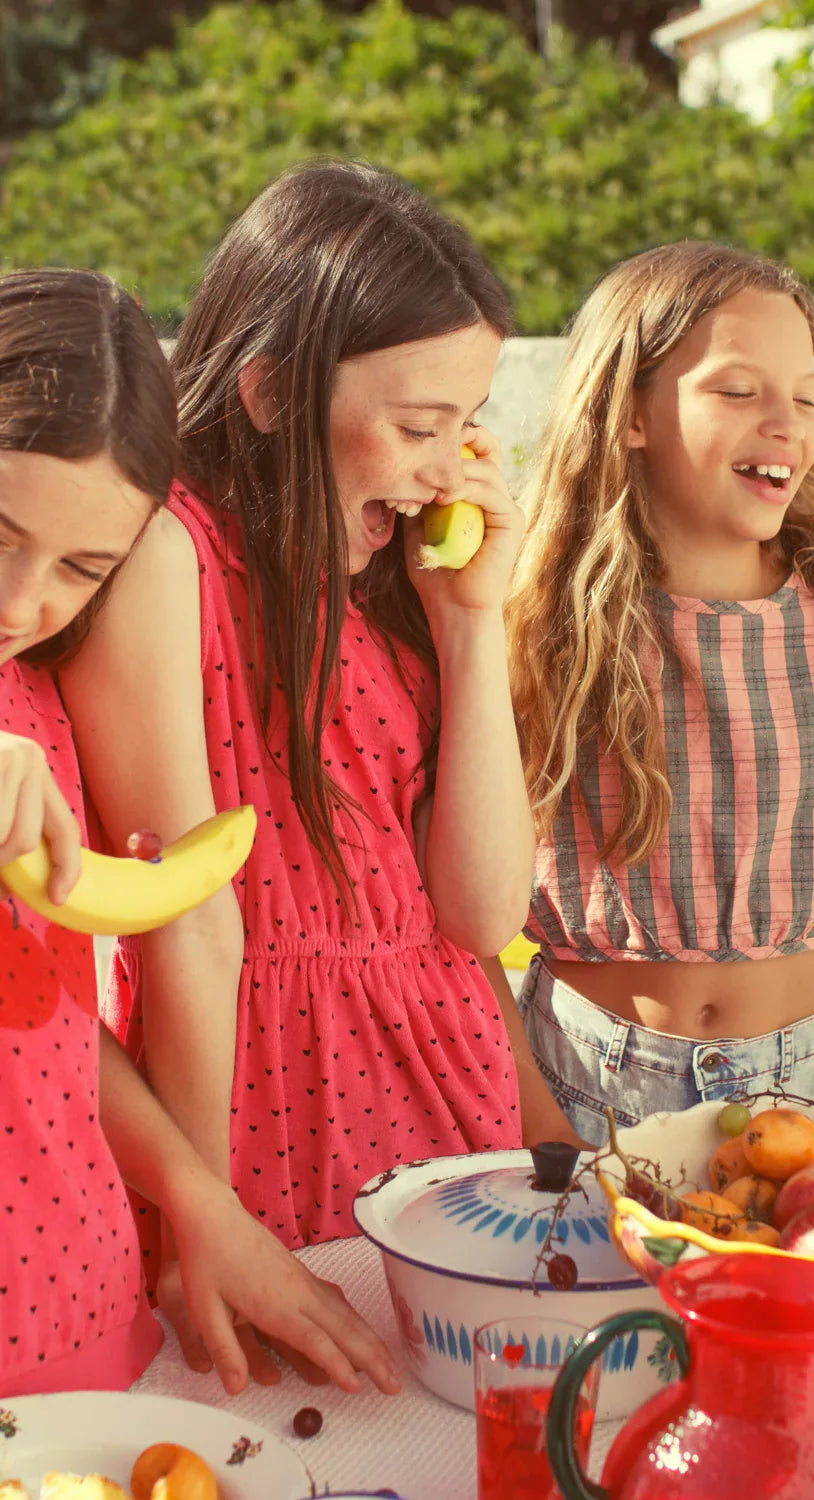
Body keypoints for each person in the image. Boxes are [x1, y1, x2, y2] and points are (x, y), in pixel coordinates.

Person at [60, 162, 565, 1353]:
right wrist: (203, 1225)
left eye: (466, 425)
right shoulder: (167, 557)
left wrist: (472, 622)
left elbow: (483, 913)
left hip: (451, 1093)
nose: (448, 472)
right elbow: (187, 924)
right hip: (268, 1106)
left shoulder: (399, 592)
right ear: (272, 393)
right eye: (413, 426)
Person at [0, 266, 399, 1397]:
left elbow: (48, 1023)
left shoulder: (35, 688)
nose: (24, 603)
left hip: (70, 1293)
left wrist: (196, 1200)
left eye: (82, 569)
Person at [502, 240, 814, 1146]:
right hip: (570, 1079)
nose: (789, 424)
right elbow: (450, 929)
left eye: (806, 397)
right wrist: (544, 1134)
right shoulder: (526, 634)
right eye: (739, 391)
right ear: (630, 413)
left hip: (809, 1089)